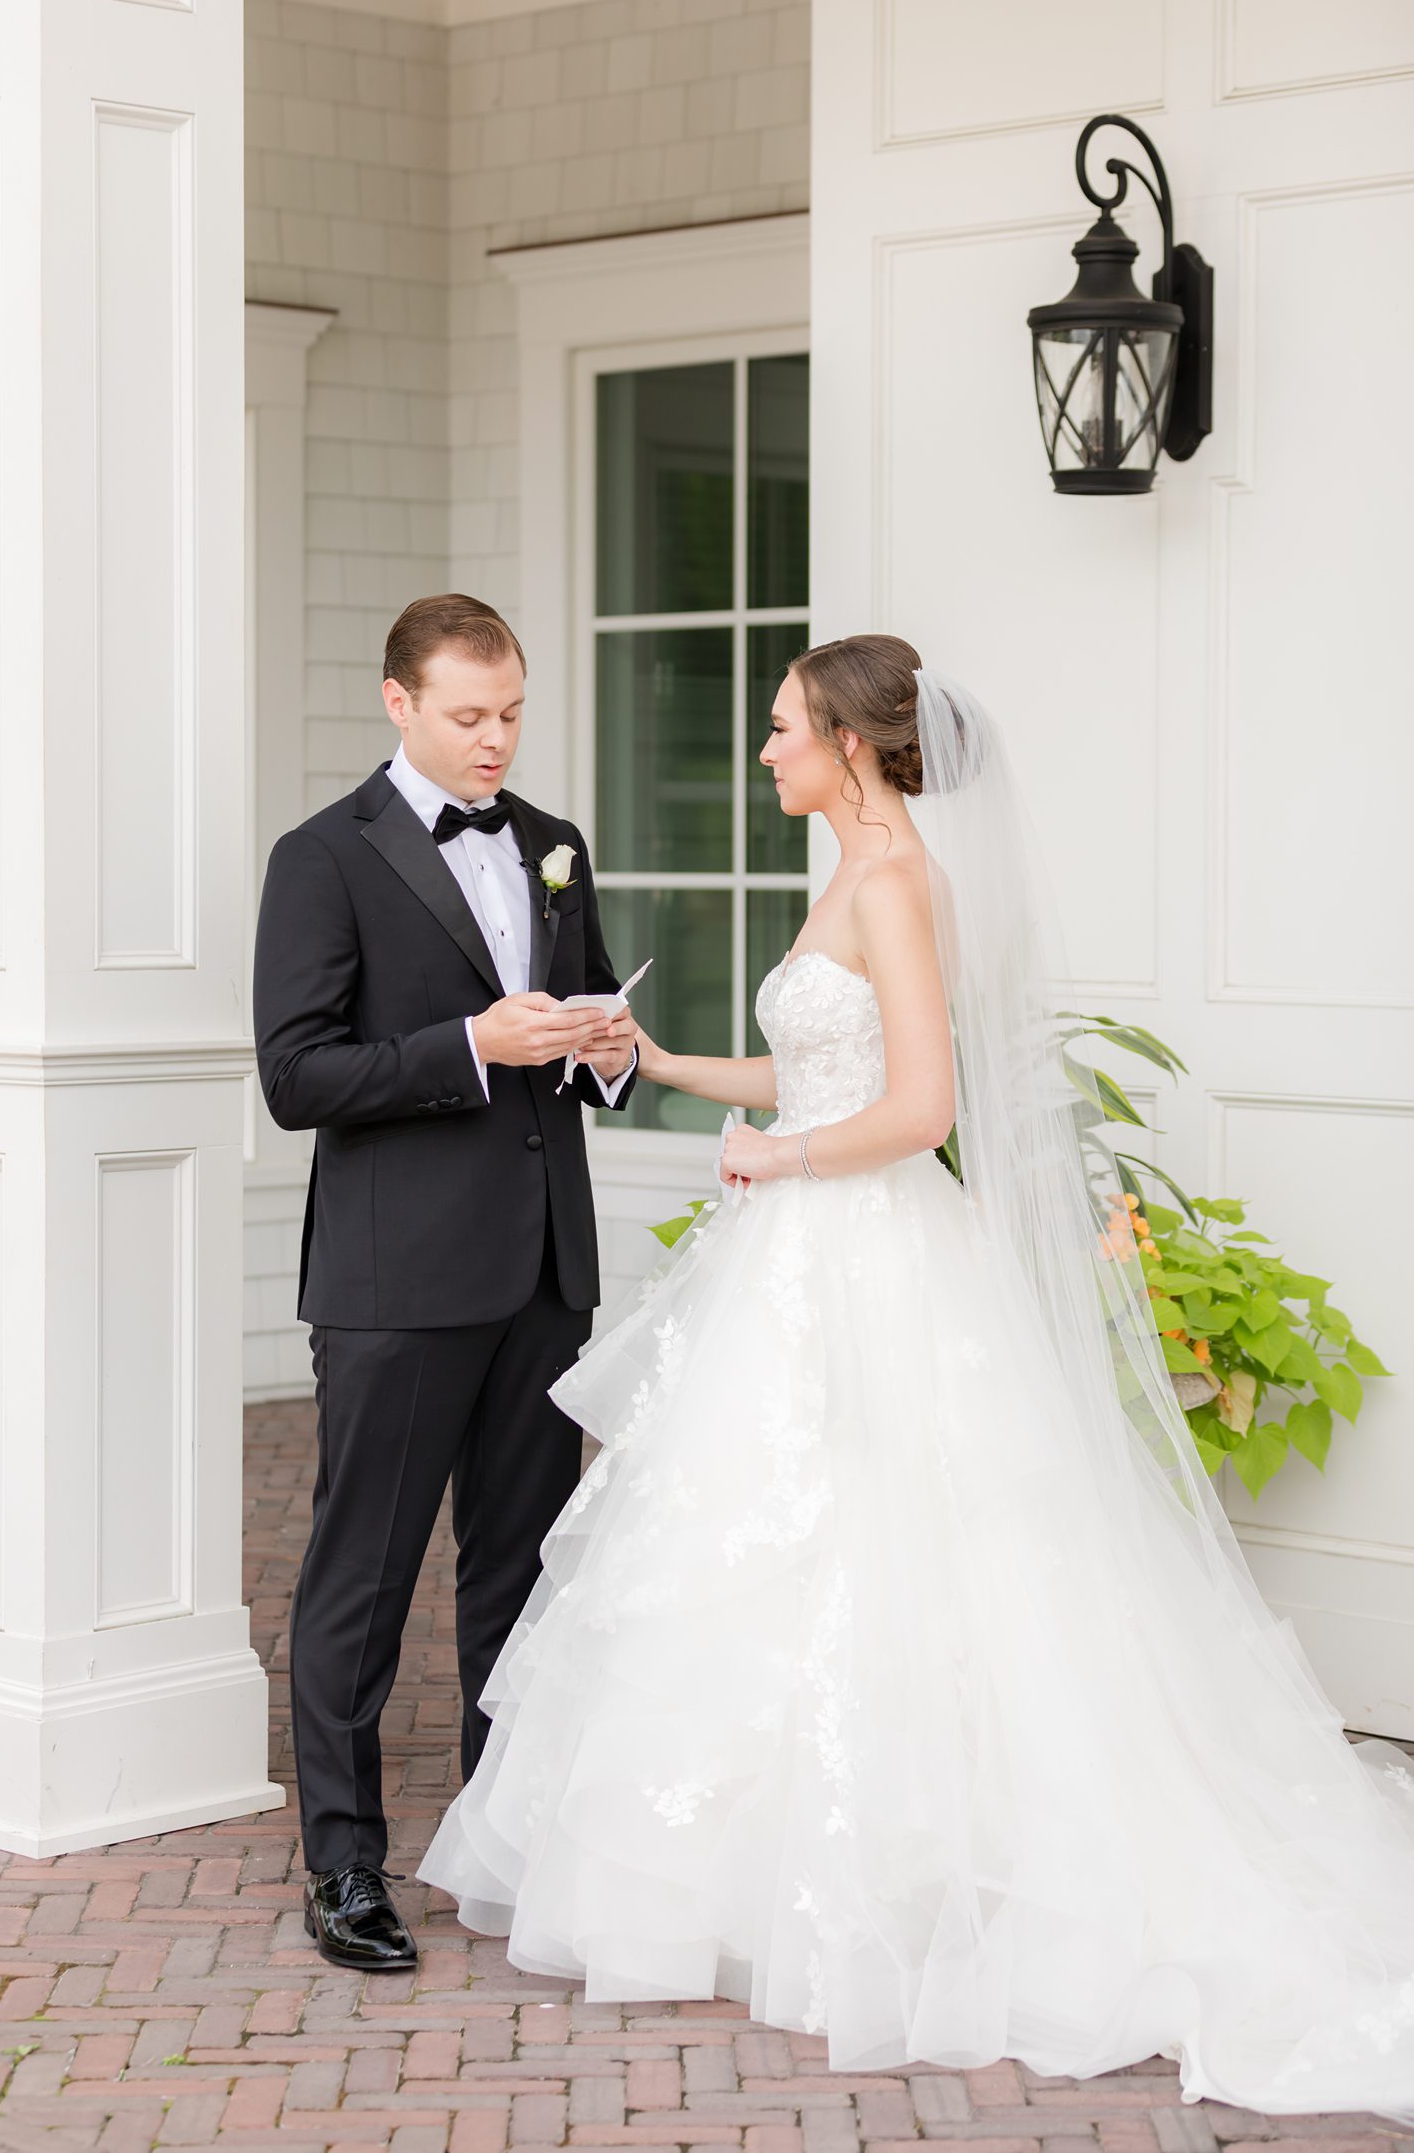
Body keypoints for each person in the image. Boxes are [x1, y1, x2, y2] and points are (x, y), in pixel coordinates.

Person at [420, 633, 1414, 2117]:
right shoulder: (854, 864)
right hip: (812, 1244)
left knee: (904, 1555)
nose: (764, 753)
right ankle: (784, 1881)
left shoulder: (894, 876)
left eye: (782, 730)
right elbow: (823, 1070)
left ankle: (899, 1884)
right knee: (792, 1552)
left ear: (854, 744)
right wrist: (679, 1067)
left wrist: (782, 1158)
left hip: (870, 1251)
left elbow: (919, 1107)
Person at [253, 593, 638, 1971]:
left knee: (522, 1576)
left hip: (540, 1267)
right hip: (396, 1278)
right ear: (397, 701)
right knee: (362, 1577)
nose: (498, 740)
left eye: (514, 712)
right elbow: (296, 1077)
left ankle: (503, 1838)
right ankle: (344, 1867)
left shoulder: (554, 846)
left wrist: (607, 1048)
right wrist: (469, 1043)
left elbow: (591, 1016)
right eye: (471, 715)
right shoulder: (320, 858)